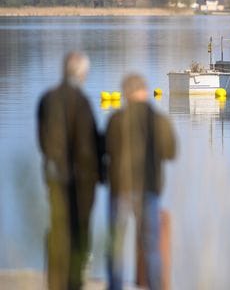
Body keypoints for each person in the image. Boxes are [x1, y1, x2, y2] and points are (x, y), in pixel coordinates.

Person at [37, 51, 102, 290]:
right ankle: (75, 279)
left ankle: (54, 275)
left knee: (57, 224)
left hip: (53, 175)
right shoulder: (81, 102)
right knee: (80, 227)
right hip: (80, 179)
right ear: (81, 73)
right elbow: (87, 145)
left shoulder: (47, 99)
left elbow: (43, 141)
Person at [106, 73, 176, 290]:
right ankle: (155, 286)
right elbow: (170, 152)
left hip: (121, 187)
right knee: (151, 245)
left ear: (126, 94)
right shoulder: (158, 120)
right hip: (149, 187)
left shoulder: (116, 119)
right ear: (144, 92)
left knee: (116, 243)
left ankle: (115, 286)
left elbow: (106, 149)